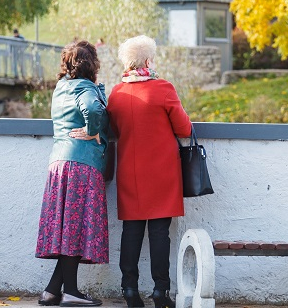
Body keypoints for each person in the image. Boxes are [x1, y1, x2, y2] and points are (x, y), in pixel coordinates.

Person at [80, 35, 192, 308]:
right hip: (162, 172)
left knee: (130, 231)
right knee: (159, 233)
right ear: (148, 60)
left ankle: (129, 290)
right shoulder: (163, 88)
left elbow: (114, 132)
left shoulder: (117, 93)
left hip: (131, 171)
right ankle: (160, 293)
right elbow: (185, 129)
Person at [35, 40, 110, 307]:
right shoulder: (85, 87)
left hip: (59, 163)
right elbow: (93, 109)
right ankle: (71, 292)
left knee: (68, 229)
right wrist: (93, 130)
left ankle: (53, 291)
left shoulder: (61, 88)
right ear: (92, 65)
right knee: (75, 229)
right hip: (81, 164)